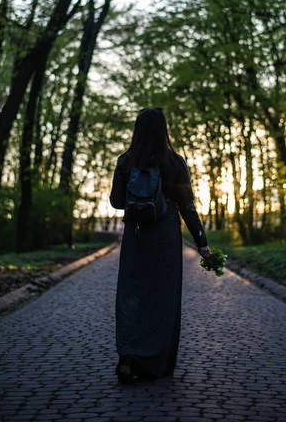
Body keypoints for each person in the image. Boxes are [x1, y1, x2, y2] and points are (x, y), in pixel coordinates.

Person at [110, 107, 211, 383]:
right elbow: (187, 206)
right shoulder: (175, 162)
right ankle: (154, 363)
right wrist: (201, 242)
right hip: (166, 235)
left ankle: (129, 356)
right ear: (163, 129)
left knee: (132, 295)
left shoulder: (125, 162)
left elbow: (116, 201)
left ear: (137, 130)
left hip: (136, 235)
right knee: (163, 298)